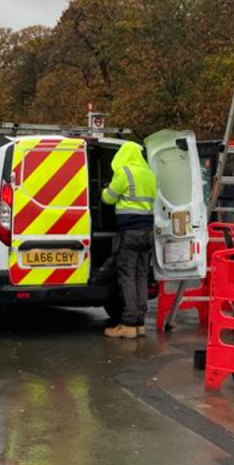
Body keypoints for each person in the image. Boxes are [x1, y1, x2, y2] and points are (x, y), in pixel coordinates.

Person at [101, 142, 156, 339]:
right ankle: (140, 322)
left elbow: (108, 198)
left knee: (127, 275)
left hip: (130, 232)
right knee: (141, 274)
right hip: (148, 232)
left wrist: (104, 189)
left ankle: (128, 324)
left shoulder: (125, 173)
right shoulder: (149, 173)